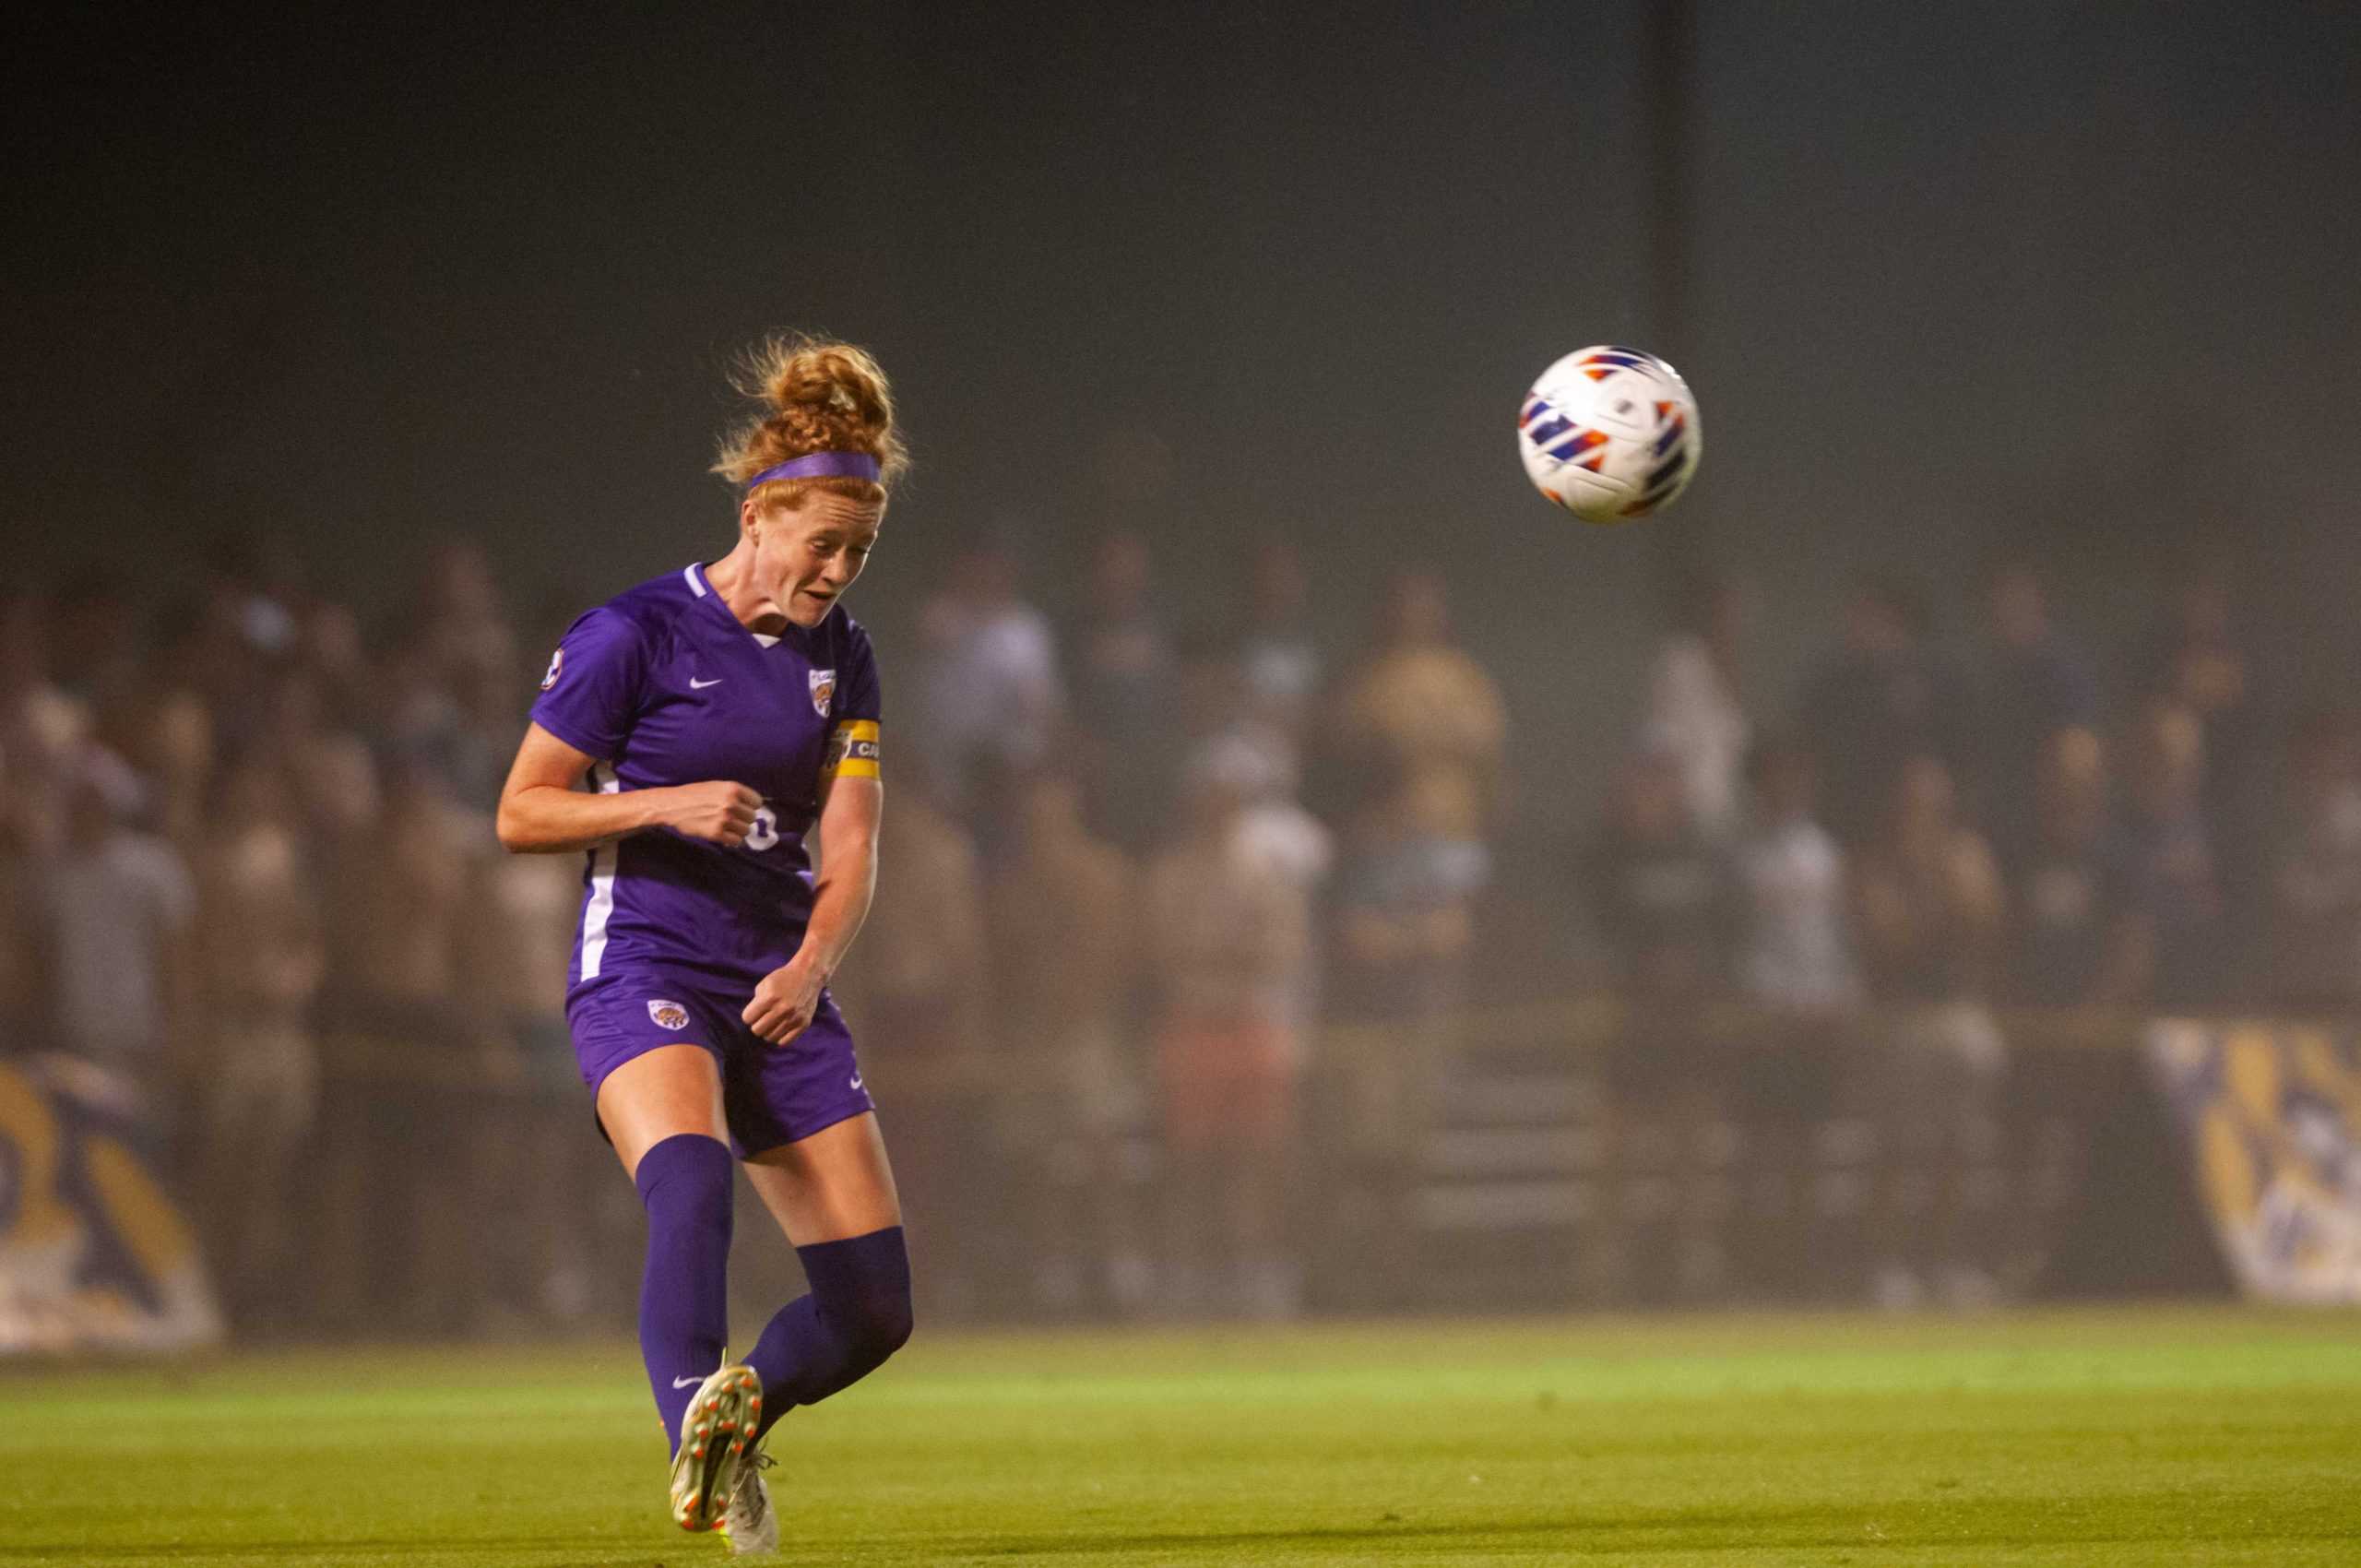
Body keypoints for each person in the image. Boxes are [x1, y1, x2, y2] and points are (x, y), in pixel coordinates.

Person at [495, 338, 913, 1550]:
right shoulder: (633, 634)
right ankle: (703, 1444)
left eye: (859, 551)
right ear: (756, 516)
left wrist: (812, 965)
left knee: (876, 1307)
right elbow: (522, 809)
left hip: (781, 983)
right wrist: (663, 802)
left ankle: (740, 1410)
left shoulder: (847, 659)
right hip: (646, 967)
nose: (837, 571)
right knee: (692, 1180)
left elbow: (851, 848)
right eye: (820, 544)